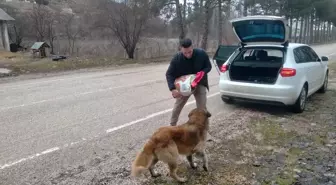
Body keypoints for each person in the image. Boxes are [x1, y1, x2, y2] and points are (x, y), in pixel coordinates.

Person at [165, 38, 213, 140]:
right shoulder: (177, 59)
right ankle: (171, 128)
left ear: (192, 47)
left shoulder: (201, 54)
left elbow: (208, 66)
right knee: (177, 107)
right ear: (181, 49)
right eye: (185, 52)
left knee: (202, 109)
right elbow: (169, 74)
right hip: (185, 85)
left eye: (190, 52)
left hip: (200, 83)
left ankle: (204, 131)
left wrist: (203, 72)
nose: (188, 54)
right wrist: (172, 89)